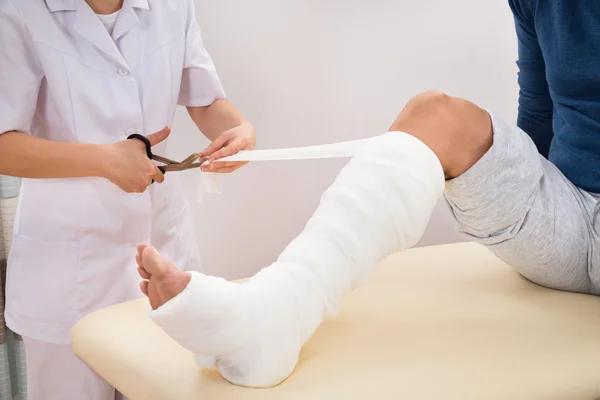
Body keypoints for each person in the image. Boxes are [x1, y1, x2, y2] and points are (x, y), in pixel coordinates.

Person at [131, 0, 600, 390]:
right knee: (433, 114)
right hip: (572, 216)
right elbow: (539, 112)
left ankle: (267, 318)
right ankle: (275, 315)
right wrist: (526, 195)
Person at [0, 0, 255, 398]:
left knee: (171, 384)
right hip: (68, 262)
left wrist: (239, 130)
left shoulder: (173, 6)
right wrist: (104, 160)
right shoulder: (17, 11)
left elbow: (203, 98)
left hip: (162, 240)